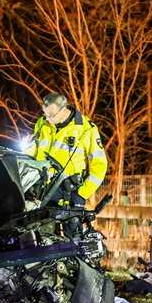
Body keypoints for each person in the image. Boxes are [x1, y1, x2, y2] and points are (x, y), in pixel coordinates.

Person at [26, 92, 108, 236]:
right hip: (42, 189)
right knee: (38, 236)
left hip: (69, 192)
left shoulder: (86, 129)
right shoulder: (41, 123)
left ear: (63, 110)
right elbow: (32, 154)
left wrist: (82, 194)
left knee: (73, 238)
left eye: (51, 115)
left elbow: (99, 164)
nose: (47, 118)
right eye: (45, 114)